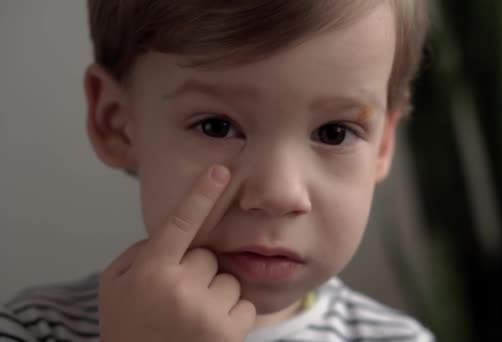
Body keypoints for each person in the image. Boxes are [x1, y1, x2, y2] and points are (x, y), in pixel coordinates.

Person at [0, 1, 432, 341]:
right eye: (217, 126)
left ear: (383, 144)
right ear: (116, 122)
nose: (279, 193)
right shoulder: (29, 330)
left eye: (335, 133)